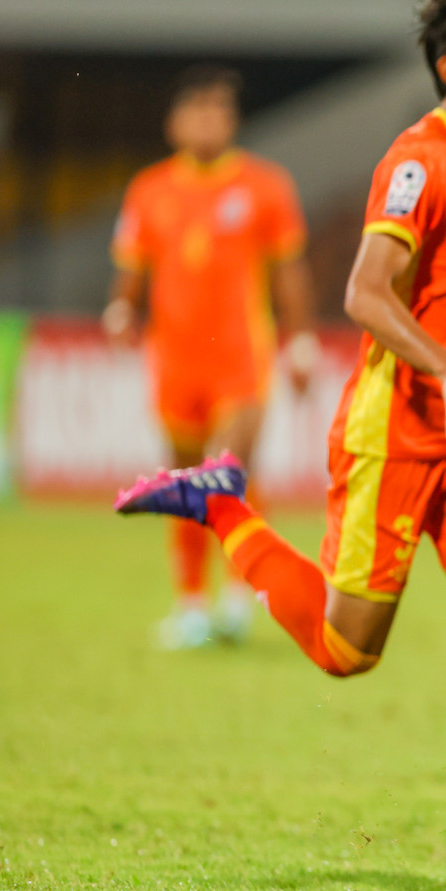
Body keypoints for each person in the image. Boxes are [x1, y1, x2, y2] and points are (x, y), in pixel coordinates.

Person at [115, 0, 446, 864]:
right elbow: (365, 291)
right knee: (346, 652)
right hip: (392, 432)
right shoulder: (419, 161)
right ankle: (222, 508)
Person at [107, 63, 320, 649]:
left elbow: (289, 272)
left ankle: (237, 597)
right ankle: (191, 604)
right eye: (197, 110)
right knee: (183, 483)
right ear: (175, 122)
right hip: (174, 361)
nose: (209, 121)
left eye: (219, 110)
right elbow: (131, 271)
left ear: (233, 121)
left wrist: (300, 341)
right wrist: (121, 311)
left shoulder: (264, 185)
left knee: (226, 473)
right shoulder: (149, 190)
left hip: (240, 358)